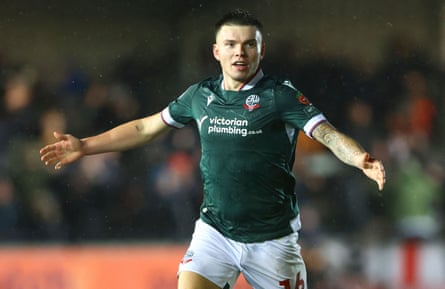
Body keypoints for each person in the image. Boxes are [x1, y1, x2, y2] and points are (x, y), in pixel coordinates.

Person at [40, 9, 385, 289]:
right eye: (231, 43)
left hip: (272, 240)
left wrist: (360, 159)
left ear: (261, 51)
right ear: (216, 51)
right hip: (215, 232)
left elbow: (326, 134)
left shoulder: (280, 95)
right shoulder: (200, 96)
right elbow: (146, 127)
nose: (240, 51)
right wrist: (85, 146)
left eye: (249, 44)